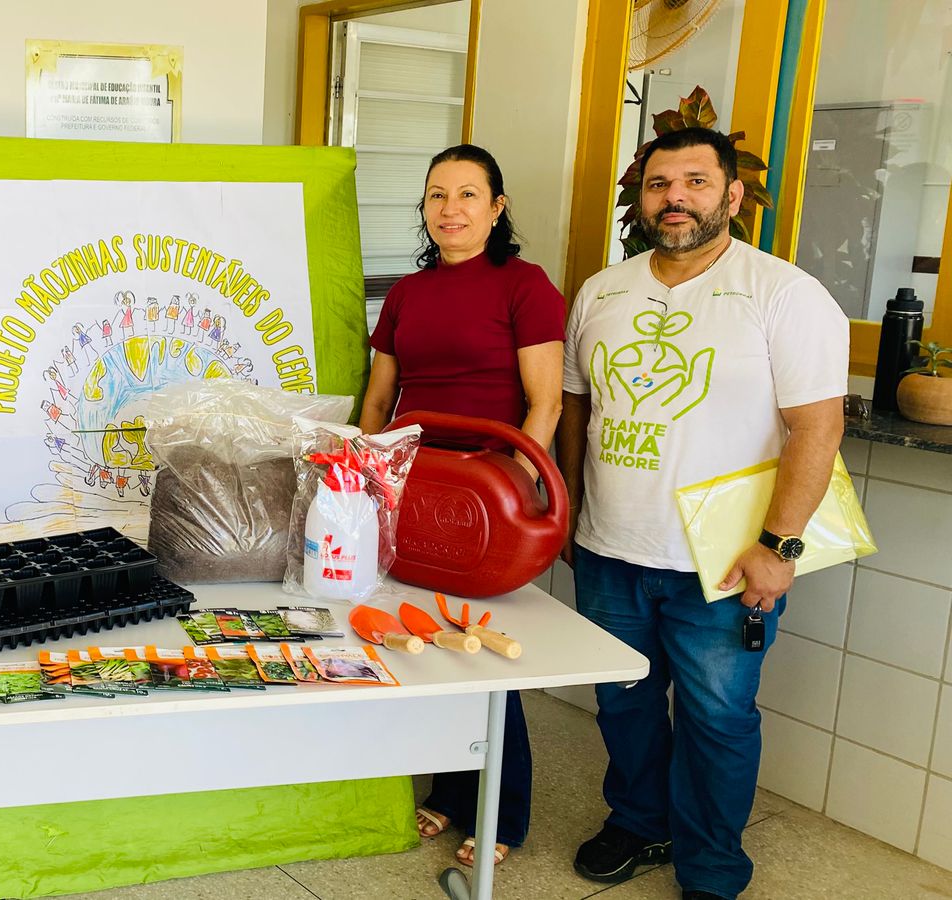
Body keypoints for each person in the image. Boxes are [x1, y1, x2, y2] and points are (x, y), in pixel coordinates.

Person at [557, 127, 847, 900]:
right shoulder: (601, 291)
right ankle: (639, 821)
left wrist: (778, 547)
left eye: (695, 181)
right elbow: (577, 407)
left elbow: (818, 428)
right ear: (641, 197)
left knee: (718, 719)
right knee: (622, 702)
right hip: (610, 549)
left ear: (732, 196)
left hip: (722, 559)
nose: (675, 198)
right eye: (659, 184)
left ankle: (713, 868)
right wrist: (572, 510)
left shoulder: (782, 293)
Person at [358, 143, 566, 867]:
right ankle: (448, 792)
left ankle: (503, 814)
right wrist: (363, 477)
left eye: (468, 194)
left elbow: (545, 403)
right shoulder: (407, 294)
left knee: (486, 647)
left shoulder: (526, 286)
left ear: (496, 207)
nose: (451, 209)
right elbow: (380, 399)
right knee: (423, 636)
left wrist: (516, 486)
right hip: (412, 486)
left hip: (485, 494)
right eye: (437, 195)